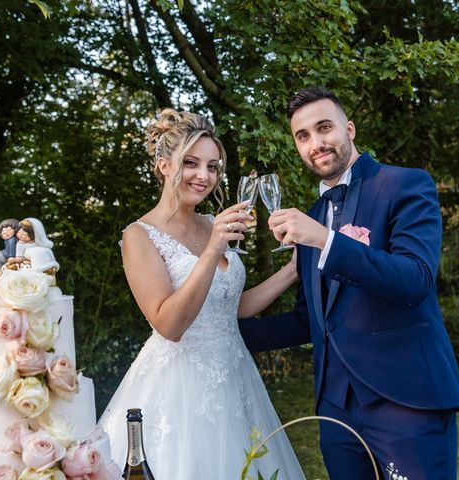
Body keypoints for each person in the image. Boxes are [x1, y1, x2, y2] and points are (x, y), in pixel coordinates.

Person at [239, 87, 459, 480]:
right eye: (303, 136)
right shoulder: (310, 215)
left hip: (406, 403)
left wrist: (325, 240)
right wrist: (227, 335)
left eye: (324, 128)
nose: (316, 143)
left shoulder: (406, 185)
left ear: (350, 129)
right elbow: (311, 320)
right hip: (336, 412)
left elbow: (416, 280)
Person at [98, 109, 305, 479]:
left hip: (235, 376)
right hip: (178, 387)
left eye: (213, 166)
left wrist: (293, 269)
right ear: (163, 165)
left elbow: (231, 306)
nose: (204, 176)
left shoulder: (214, 223)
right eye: (191, 163)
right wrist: (211, 250)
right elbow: (169, 324)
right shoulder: (140, 236)